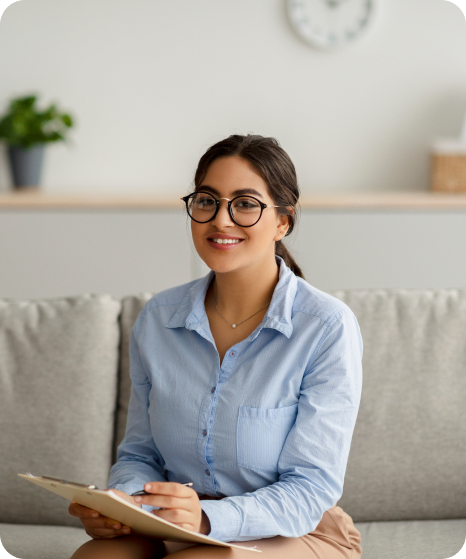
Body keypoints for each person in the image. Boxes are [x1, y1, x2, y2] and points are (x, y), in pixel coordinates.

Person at [70, 134, 363, 559]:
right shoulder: (158, 319)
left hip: (293, 530)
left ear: (283, 221)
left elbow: (310, 488)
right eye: (207, 200)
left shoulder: (326, 327)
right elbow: (140, 453)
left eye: (245, 204)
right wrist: (123, 504)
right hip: (175, 522)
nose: (220, 220)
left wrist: (207, 519)